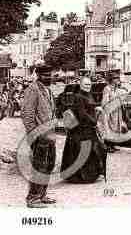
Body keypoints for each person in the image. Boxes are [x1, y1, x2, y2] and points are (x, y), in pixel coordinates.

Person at [21, 64, 57, 208]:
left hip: (50, 135)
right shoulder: (32, 89)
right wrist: (35, 135)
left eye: (50, 75)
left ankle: (42, 194)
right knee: (39, 166)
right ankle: (33, 198)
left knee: (49, 165)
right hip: (39, 136)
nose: (49, 78)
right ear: (38, 75)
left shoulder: (47, 90)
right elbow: (27, 115)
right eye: (45, 75)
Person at [60, 76, 107, 183]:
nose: (88, 86)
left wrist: (96, 107)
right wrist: (94, 122)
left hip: (87, 128)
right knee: (82, 151)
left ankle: (90, 174)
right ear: (81, 85)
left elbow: (89, 106)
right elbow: (82, 114)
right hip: (81, 129)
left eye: (89, 84)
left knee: (92, 151)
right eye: (86, 84)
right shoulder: (78, 97)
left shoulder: (88, 95)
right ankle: (82, 176)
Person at [100, 72, 127, 153]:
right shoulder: (107, 89)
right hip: (110, 111)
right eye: (116, 78)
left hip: (117, 111)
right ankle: (107, 146)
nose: (118, 80)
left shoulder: (116, 89)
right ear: (112, 80)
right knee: (109, 128)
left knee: (116, 128)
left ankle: (112, 145)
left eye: (118, 78)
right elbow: (105, 101)